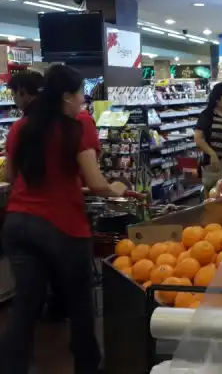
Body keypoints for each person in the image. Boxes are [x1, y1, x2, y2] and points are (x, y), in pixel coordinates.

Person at [0, 65, 127, 374]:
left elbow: (9, 175)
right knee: (80, 304)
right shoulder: (77, 127)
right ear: (67, 96)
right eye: (81, 93)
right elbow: (97, 183)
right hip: (62, 227)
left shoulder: (22, 126)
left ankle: (11, 366)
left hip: (18, 223)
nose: (83, 100)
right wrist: (118, 188)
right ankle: (87, 365)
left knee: (26, 305)